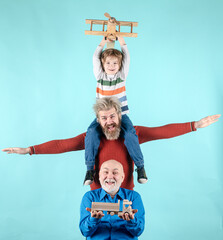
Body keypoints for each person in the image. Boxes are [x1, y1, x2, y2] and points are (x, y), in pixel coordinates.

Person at [2, 97, 220, 190]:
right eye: (104, 119)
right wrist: (28, 150)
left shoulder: (132, 133)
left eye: (112, 117)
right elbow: (61, 145)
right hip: (98, 194)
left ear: (119, 116)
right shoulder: (91, 138)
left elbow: (162, 131)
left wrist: (195, 125)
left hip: (126, 192)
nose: (109, 122)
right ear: (98, 120)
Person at [84, 36, 147, 186]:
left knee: (131, 134)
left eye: (115, 63)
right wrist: (103, 41)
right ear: (102, 64)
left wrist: (122, 41)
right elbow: (94, 57)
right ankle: (89, 170)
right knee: (91, 133)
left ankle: (141, 167)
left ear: (120, 65)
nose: (111, 66)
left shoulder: (121, 76)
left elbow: (127, 57)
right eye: (108, 63)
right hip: (103, 117)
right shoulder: (100, 76)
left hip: (121, 115)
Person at [79, 159, 145, 240]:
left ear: (122, 177)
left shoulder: (134, 197)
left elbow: (138, 232)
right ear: (99, 176)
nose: (110, 176)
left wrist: (131, 220)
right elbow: (84, 231)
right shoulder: (89, 197)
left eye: (115, 173)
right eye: (106, 172)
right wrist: (93, 219)